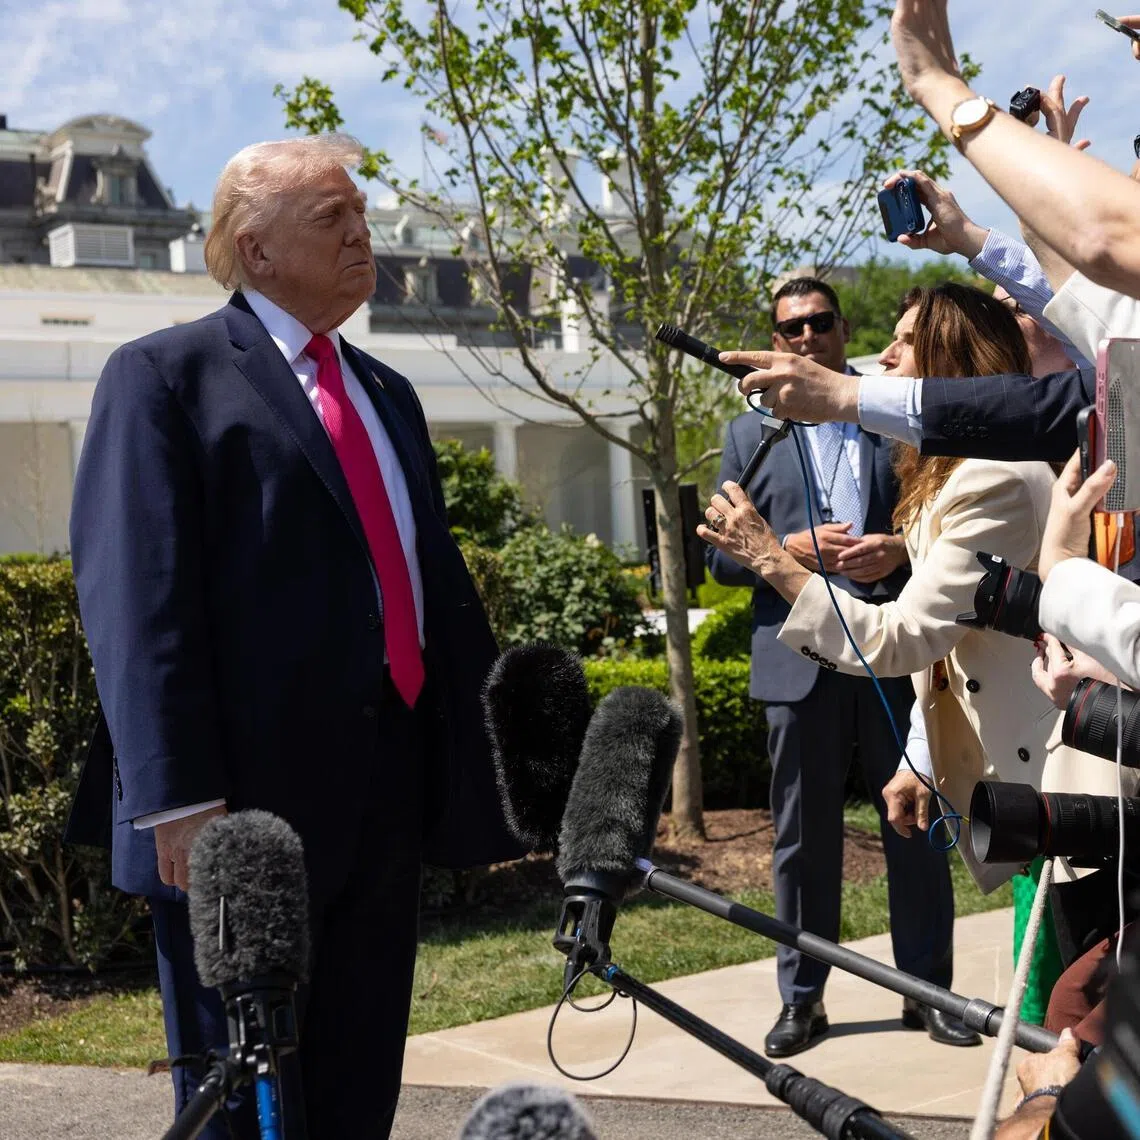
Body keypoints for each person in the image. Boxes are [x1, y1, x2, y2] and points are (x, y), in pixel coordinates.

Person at [64, 135, 521, 1139]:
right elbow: (137, 603)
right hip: (234, 832)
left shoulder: (387, 394)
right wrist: (178, 800)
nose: (363, 232)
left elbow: (426, 593)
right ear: (256, 249)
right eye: (332, 216)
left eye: (360, 210)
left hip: (382, 807)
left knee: (358, 1095)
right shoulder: (163, 378)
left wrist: (486, 769)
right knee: (241, 1105)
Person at [701, 283, 1129, 1026]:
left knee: (1072, 1021)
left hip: (1069, 780)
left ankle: (935, 1001)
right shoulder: (945, 469)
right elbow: (953, 645)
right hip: (1018, 768)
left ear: (949, 365)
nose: (885, 354)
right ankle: (803, 1000)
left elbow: (905, 637)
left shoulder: (991, 474)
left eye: (903, 342)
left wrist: (776, 560)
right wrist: (921, 760)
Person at [704, 277, 972, 1057]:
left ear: (840, 327)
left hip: (892, 647)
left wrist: (897, 548)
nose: (808, 336)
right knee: (801, 839)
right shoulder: (746, 435)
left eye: (821, 322)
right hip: (798, 661)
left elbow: (936, 521)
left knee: (916, 823)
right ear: (776, 340)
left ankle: (929, 994)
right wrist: (783, 551)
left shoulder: (888, 413)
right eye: (793, 327)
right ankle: (802, 999)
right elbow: (714, 563)